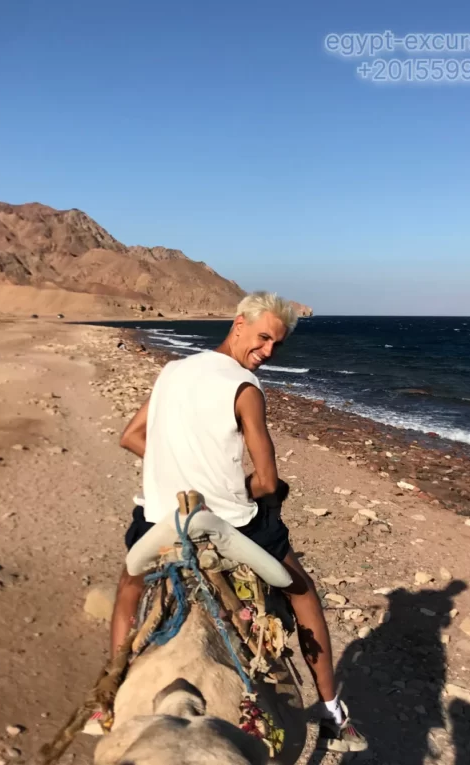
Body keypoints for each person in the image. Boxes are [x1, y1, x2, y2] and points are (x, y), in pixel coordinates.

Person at [100, 291, 367, 753]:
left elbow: (130, 437)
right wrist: (238, 489)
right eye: (263, 338)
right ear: (238, 324)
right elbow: (267, 480)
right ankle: (332, 714)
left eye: (276, 344)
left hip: (161, 516)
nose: (267, 351)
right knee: (302, 592)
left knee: (129, 584)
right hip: (228, 522)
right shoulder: (245, 388)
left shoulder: (172, 371)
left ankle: (107, 698)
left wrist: (179, 470)